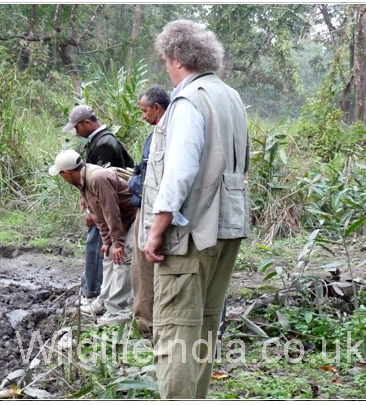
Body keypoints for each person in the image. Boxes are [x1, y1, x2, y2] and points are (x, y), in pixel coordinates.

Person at [140, 20, 250, 399]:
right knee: (203, 328)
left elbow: (180, 172)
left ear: (177, 59)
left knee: (174, 334)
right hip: (227, 227)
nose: (167, 69)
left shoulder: (188, 101)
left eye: (166, 61)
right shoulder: (230, 96)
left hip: (189, 236)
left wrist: (156, 230)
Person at [49, 150, 136, 319]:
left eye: (61, 174)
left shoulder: (97, 178)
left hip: (132, 217)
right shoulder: (82, 181)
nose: (62, 178)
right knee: (108, 256)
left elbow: (111, 212)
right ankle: (103, 301)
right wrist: (107, 241)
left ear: (67, 172)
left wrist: (118, 243)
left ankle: (116, 309)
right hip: (118, 221)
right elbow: (97, 214)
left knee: (123, 258)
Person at [62, 105, 131, 306]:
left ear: (87, 123)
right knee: (105, 246)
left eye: (77, 127)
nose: (76, 132)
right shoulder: (99, 141)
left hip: (111, 204)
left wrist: (92, 211)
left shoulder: (104, 144)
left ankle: (93, 291)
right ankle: (99, 293)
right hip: (106, 204)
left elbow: (102, 190)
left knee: (99, 245)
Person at [129, 86, 170, 334]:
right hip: (146, 204)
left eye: (145, 110)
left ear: (157, 108)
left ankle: (147, 322)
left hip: (153, 208)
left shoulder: (165, 133)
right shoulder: (156, 133)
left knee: (144, 269)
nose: (143, 116)